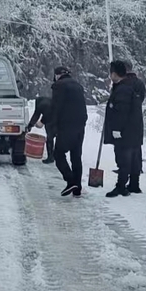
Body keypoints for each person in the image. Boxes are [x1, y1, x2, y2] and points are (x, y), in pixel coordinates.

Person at [102, 60, 144, 197]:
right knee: (134, 157)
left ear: (115, 73)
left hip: (125, 131)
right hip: (135, 129)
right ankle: (134, 184)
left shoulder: (123, 88)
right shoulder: (136, 84)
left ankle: (121, 187)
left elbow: (122, 111)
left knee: (123, 158)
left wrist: (117, 129)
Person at [49, 66, 88, 196]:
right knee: (76, 156)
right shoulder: (78, 85)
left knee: (58, 154)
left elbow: (56, 108)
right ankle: (77, 189)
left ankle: (70, 180)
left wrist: (53, 127)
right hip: (80, 125)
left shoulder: (59, 86)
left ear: (57, 75)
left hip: (66, 126)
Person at [26, 75, 57, 163]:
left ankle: (51, 157)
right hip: (60, 120)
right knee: (57, 138)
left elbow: (37, 115)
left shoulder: (41, 104)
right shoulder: (48, 101)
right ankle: (56, 155)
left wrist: (31, 126)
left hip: (51, 121)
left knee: (50, 139)